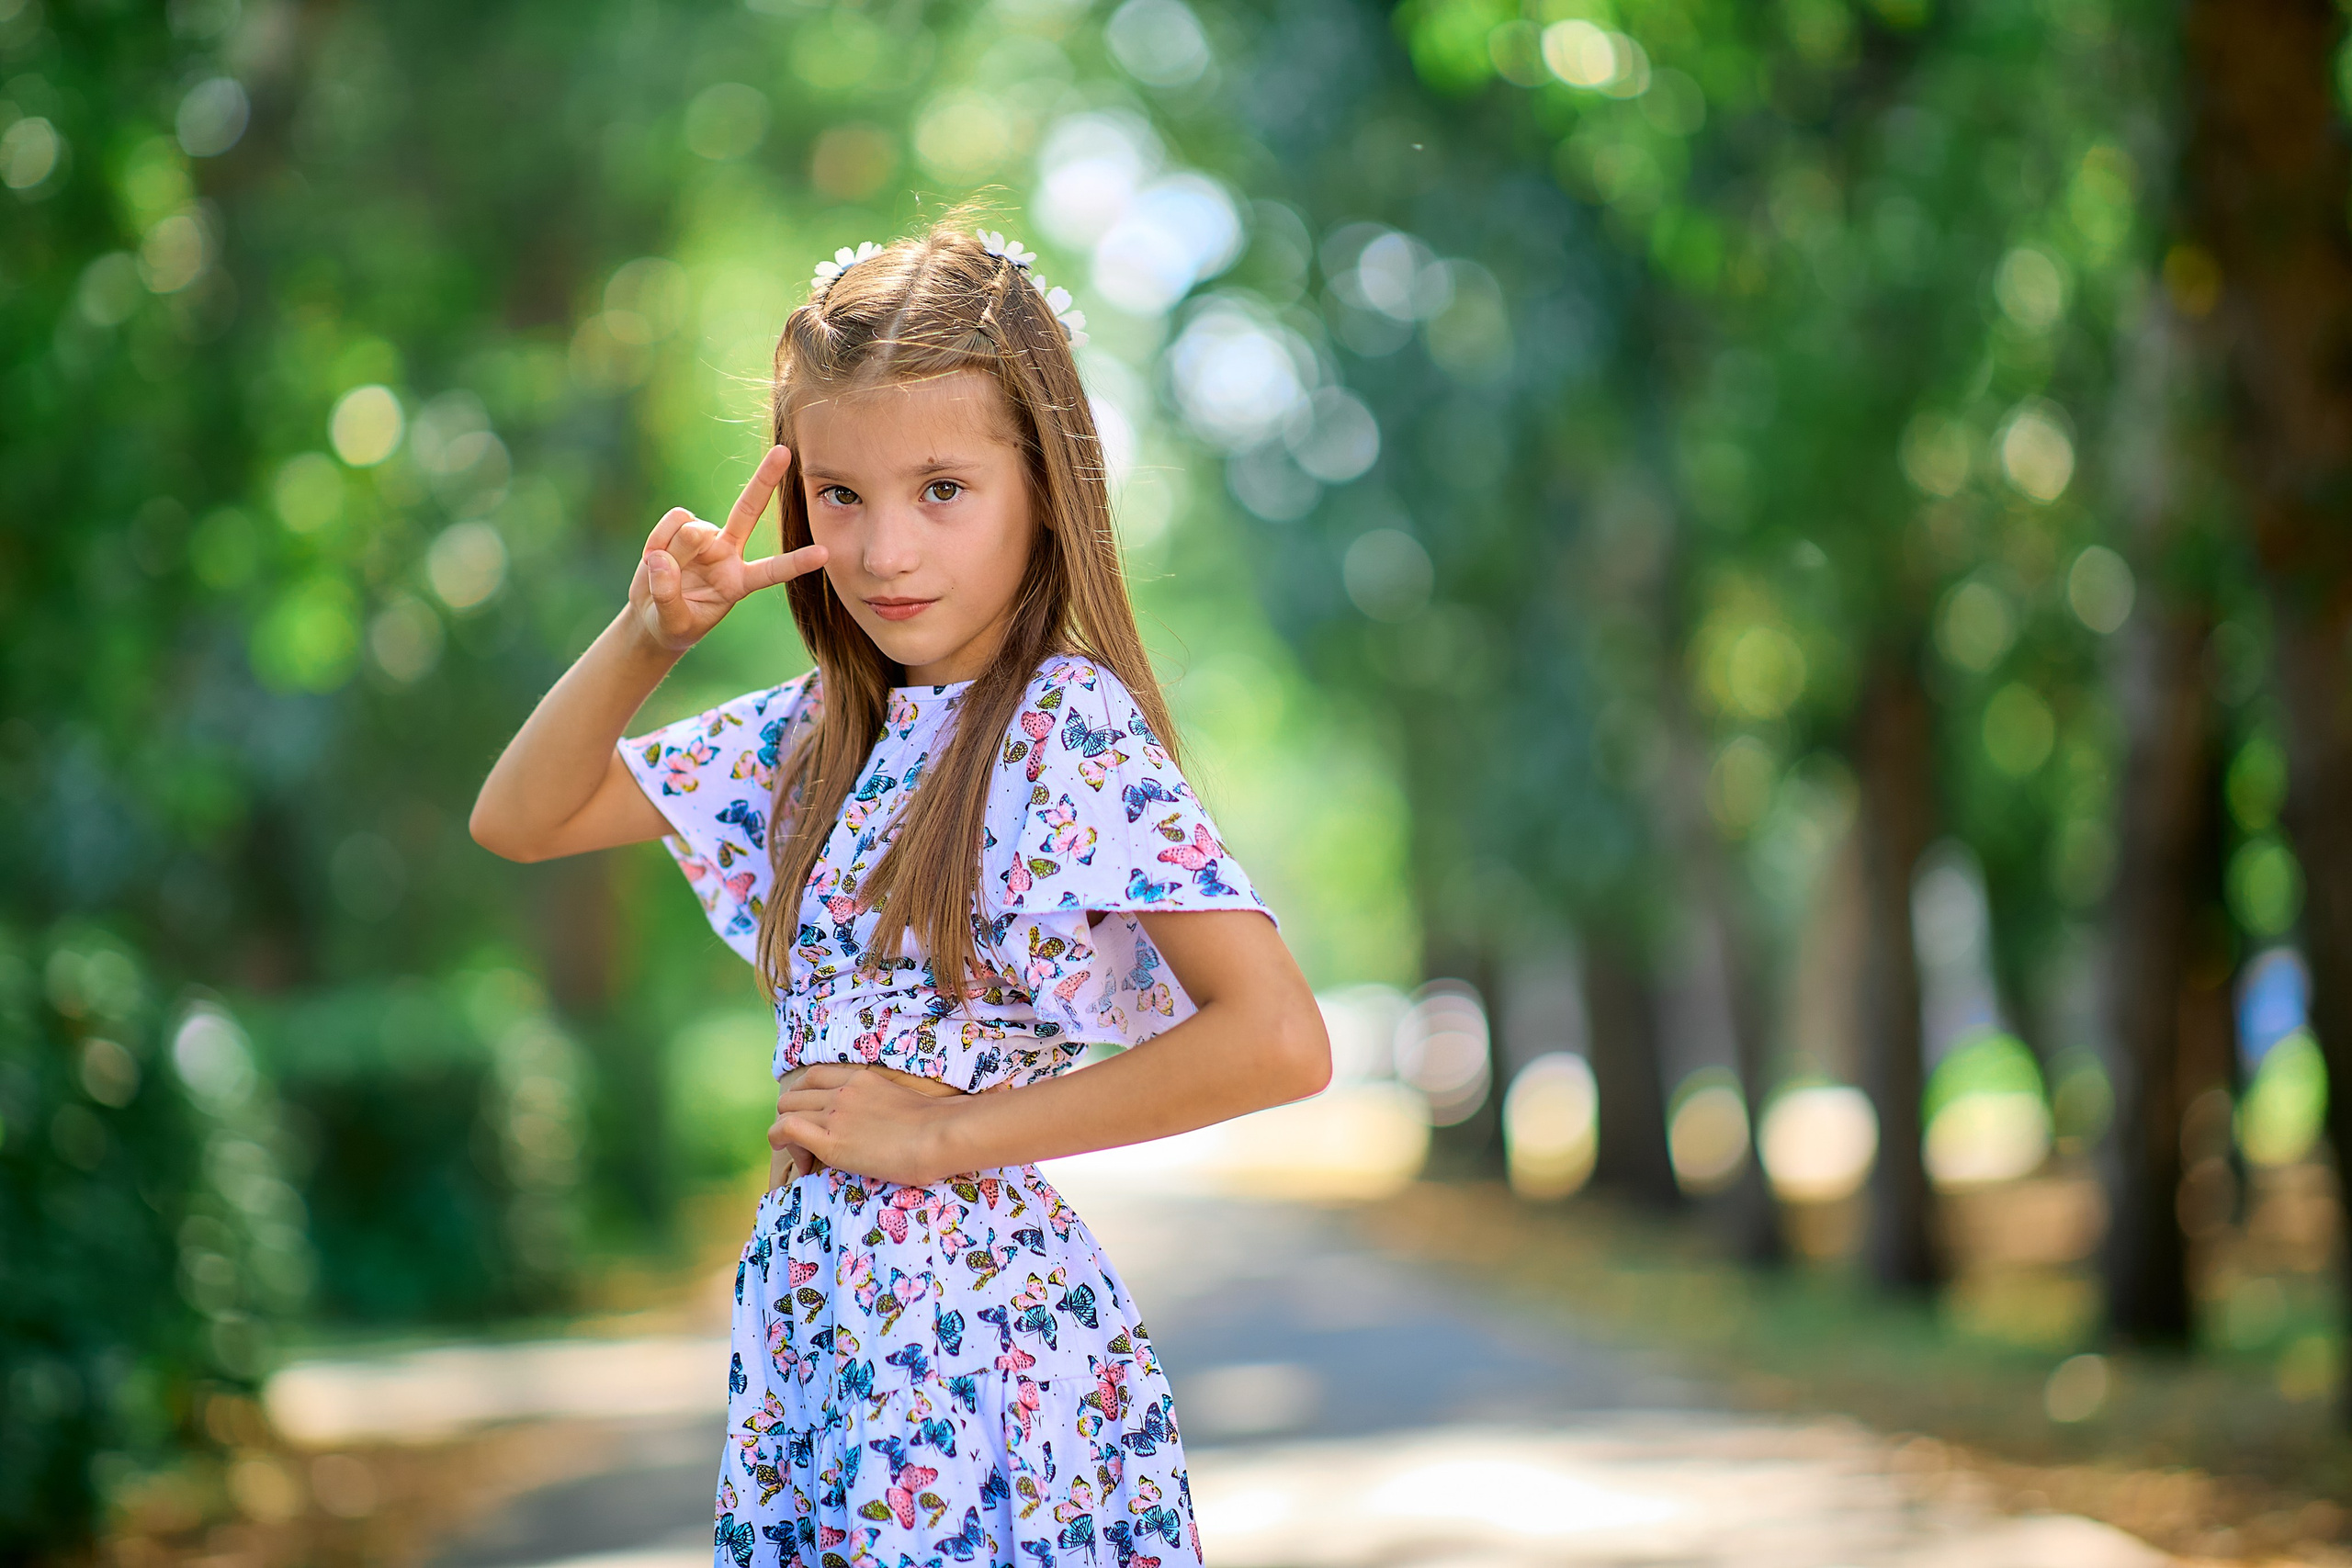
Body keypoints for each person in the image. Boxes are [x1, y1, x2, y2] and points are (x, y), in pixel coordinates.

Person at [469, 220, 1330, 1568]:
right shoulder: (810, 739)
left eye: (941, 488)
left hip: (984, 1363)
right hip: (822, 1353)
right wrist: (651, 634)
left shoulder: (1061, 730)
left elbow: (1278, 1040)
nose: (881, 552)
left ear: (1043, 485)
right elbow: (519, 817)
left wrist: (941, 1139)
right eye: (838, 496)